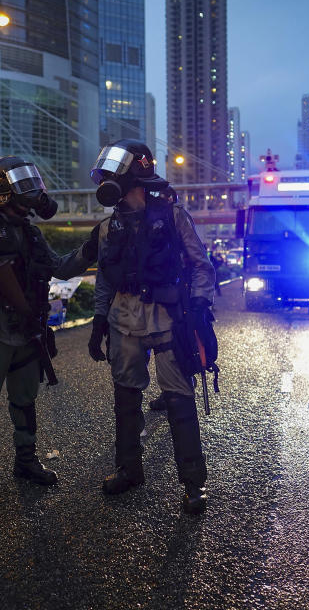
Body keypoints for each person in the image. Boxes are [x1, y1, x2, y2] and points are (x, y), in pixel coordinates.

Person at [0, 142, 96, 506]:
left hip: (28, 330)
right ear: (2, 187)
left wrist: (93, 248)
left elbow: (60, 267)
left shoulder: (30, 233)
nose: (32, 188)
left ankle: (25, 461)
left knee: (25, 400)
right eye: (22, 180)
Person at [86, 138, 215, 514]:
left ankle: (193, 483)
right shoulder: (110, 226)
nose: (107, 184)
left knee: (179, 398)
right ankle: (129, 470)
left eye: (113, 175)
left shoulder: (174, 217)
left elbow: (200, 264)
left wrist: (199, 304)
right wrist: (98, 320)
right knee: (126, 400)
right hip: (123, 321)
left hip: (168, 320)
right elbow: (104, 279)